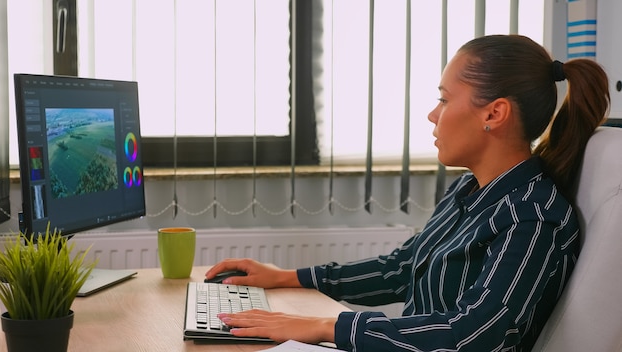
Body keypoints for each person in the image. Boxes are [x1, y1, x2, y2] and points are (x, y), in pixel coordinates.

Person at [205, 34, 610, 351]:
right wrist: (288, 277)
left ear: (494, 113)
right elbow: (401, 269)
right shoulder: (470, 190)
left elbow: (473, 337)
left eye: (444, 99)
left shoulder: (532, 217)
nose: (433, 114)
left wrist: (325, 326)